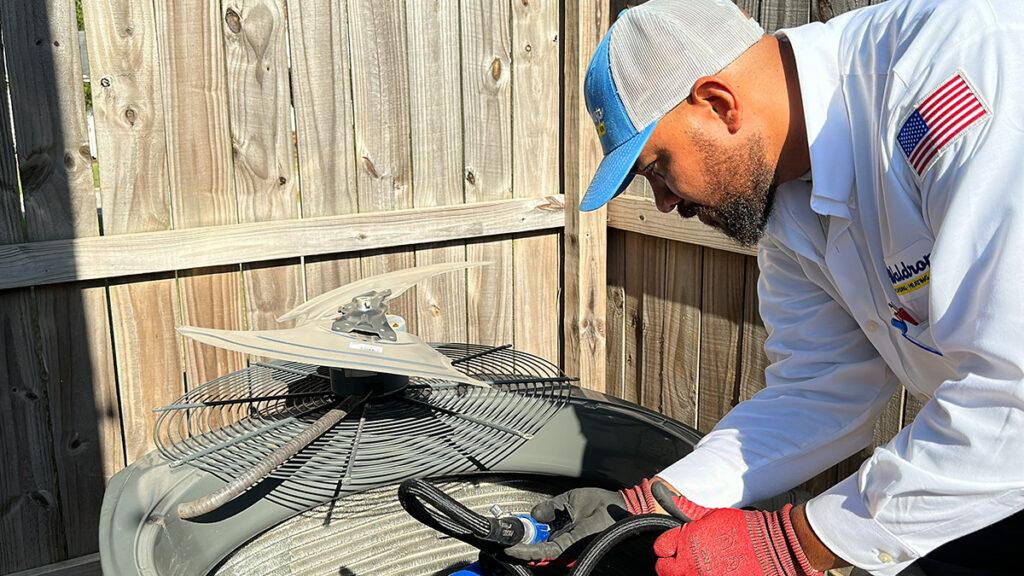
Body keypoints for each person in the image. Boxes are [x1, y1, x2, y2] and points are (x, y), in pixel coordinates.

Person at [504, 0, 1024, 574]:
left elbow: (1013, 393)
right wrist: (646, 505)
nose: (663, 203)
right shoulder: (788, 199)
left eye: (656, 167)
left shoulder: (966, 82)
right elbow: (820, 386)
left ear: (718, 104)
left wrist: (794, 542)